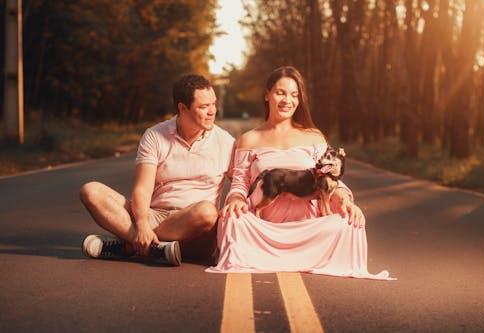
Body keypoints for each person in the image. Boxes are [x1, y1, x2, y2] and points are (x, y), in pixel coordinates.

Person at [206, 66, 394, 280]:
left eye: (294, 95)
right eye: (280, 93)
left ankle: (290, 256)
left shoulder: (313, 136)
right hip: (264, 229)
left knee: (349, 222)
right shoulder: (249, 139)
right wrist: (237, 199)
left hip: (310, 228)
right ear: (267, 95)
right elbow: (240, 183)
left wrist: (344, 202)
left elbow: (330, 179)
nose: (288, 100)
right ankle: (277, 255)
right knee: (232, 220)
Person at [80, 74, 235, 265]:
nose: (212, 111)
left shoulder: (226, 141)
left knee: (207, 212)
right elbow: (143, 188)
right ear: (182, 108)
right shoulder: (155, 135)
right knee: (91, 191)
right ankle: (155, 248)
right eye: (204, 106)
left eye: (213, 104)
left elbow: (241, 185)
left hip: (195, 228)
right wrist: (143, 224)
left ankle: (130, 244)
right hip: (155, 215)